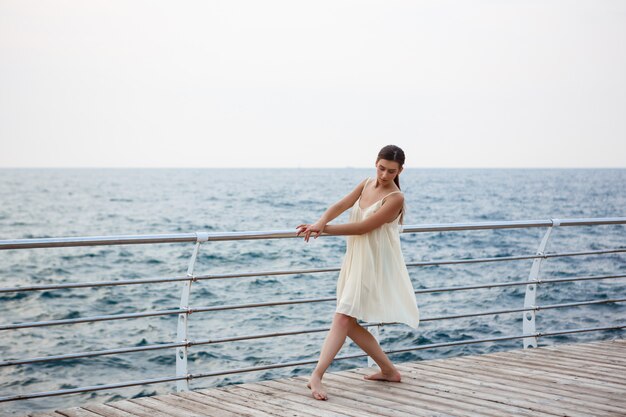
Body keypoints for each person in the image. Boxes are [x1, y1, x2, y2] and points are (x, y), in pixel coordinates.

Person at [295, 144, 420, 401]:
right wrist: (320, 221)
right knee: (348, 322)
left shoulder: (396, 198)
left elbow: (363, 228)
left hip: (374, 265)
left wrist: (324, 230)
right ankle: (388, 370)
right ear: (375, 162)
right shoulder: (366, 183)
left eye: (391, 171)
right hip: (355, 260)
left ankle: (316, 376)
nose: (384, 175)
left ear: (400, 170)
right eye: (381, 168)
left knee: (342, 318)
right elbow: (340, 205)